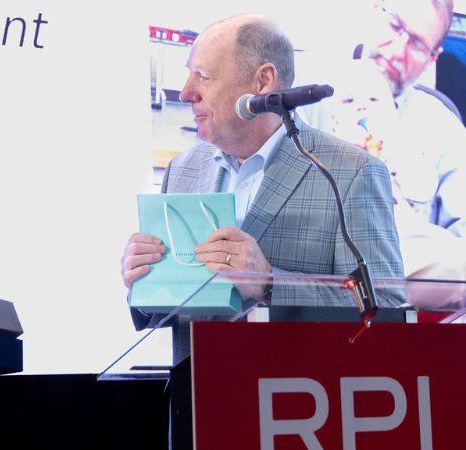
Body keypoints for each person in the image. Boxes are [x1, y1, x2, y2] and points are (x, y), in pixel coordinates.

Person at [121, 15, 405, 447]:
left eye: (203, 75)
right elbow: (179, 303)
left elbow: (384, 305)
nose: (186, 93)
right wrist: (146, 280)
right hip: (197, 417)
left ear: (263, 81)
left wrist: (270, 283)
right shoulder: (184, 169)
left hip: (305, 418)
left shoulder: (350, 171)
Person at [301, 0, 466, 308]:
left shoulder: (442, 128)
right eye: (396, 27)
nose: (397, 50)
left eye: (416, 43)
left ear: (433, 58)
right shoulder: (306, 102)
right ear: (374, 13)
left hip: (404, 301)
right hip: (308, 294)